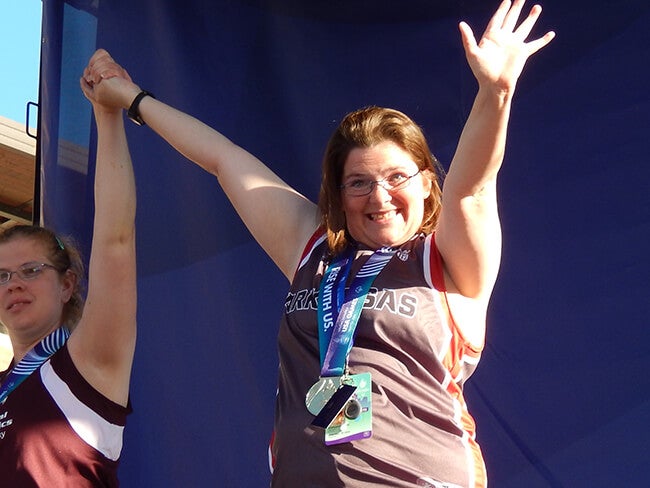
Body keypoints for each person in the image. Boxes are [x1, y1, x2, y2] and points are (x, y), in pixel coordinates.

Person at [86, 0, 554, 486]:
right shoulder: (312, 250)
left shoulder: (446, 260)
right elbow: (223, 159)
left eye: (397, 176)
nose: (379, 196)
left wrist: (495, 92)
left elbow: (473, 190)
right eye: (358, 183)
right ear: (338, 194)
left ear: (426, 184)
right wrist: (133, 99)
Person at [0, 56, 138, 485]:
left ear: (67, 284)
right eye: (1, 276)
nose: (14, 284)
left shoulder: (89, 363)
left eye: (29, 269)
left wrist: (108, 115)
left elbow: (116, 241)